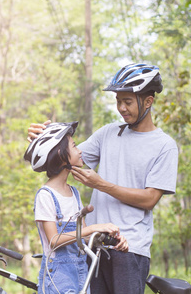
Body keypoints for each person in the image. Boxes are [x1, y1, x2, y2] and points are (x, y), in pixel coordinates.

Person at [27, 63, 179, 294]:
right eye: (118, 101)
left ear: (148, 101)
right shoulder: (109, 132)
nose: (121, 108)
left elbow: (150, 199)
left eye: (128, 102)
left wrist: (101, 185)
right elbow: (64, 157)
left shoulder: (164, 146)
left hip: (129, 248)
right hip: (93, 246)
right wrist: (42, 139)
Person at [24, 121, 128, 294]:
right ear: (60, 154)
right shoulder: (46, 195)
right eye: (74, 146)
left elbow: (85, 239)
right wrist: (94, 227)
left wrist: (113, 240)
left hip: (80, 273)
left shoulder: (74, 193)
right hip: (57, 278)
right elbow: (54, 241)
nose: (80, 150)